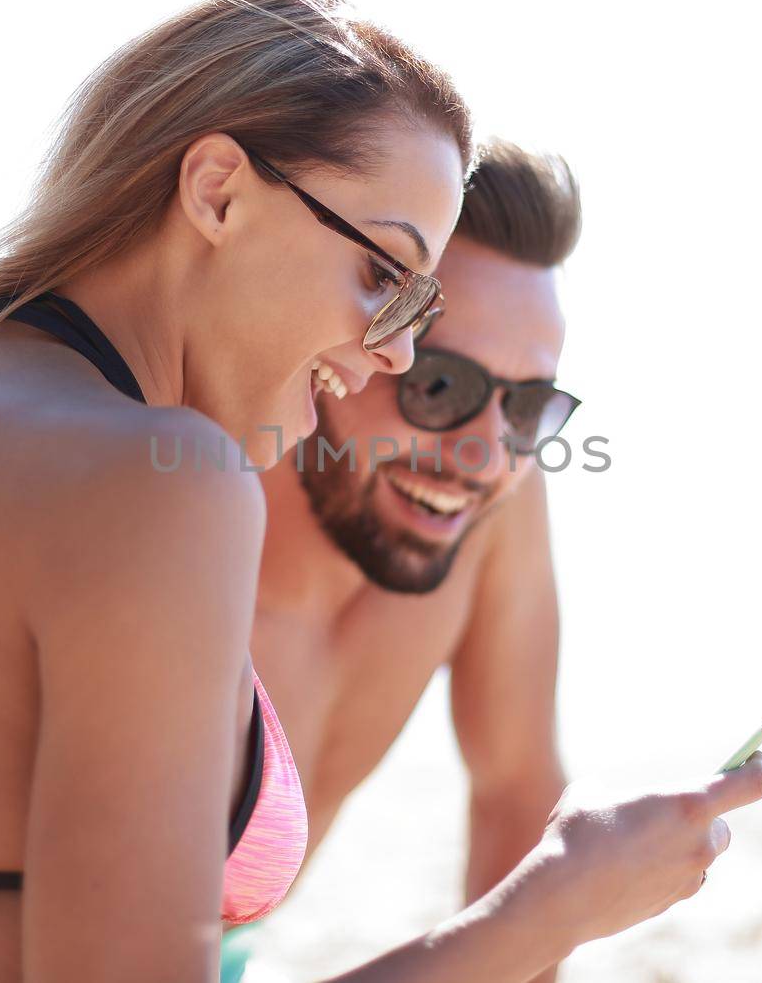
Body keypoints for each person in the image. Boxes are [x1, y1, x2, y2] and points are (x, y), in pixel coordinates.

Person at [0, 0, 762, 983]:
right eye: (383, 276)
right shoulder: (166, 487)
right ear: (216, 190)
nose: (390, 352)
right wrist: (552, 908)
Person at [229, 139, 583, 981]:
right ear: (344, 352)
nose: (484, 456)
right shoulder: (175, 509)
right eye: (439, 385)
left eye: (528, 408)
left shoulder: (490, 509)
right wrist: (567, 899)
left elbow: (516, 788)